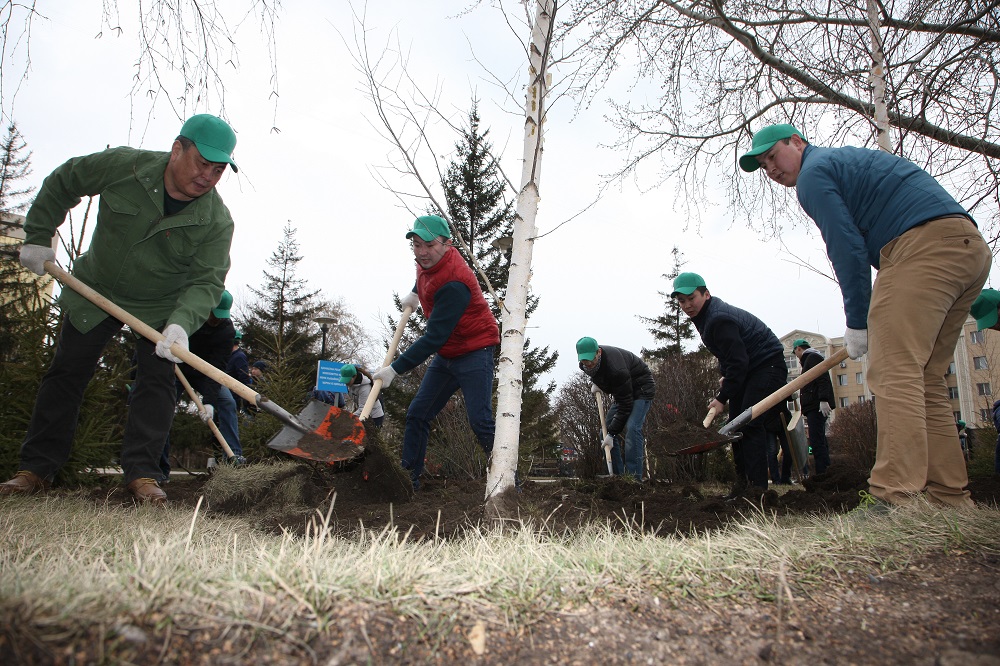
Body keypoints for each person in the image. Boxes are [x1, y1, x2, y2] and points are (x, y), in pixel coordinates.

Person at [740, 123, 990, 509]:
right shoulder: (842, 162)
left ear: (797, 142)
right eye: (762, 165)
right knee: (925, 378)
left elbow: (847, 246)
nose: (770, 169)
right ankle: (949, 497)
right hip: (967, 246)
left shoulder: (813, 174)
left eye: (772, 156)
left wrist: (857, 319)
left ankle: (894, 495)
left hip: (920, 247)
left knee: (893, 371)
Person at [0, 114, 237, 504]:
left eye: (218, 169)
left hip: (160, 307)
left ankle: (143, 476)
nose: (208, 176)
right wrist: (39, 235)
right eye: (202, 163)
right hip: (96, 290)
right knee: (66, 372)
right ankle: (36, 470)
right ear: (177, 149)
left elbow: (207, 281)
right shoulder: (125, 166)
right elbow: (65, 180)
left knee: (158, 382)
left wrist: (180, 324)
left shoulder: (215, 220)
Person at [371, 215, 500, 490]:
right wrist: (415, 293)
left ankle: (508, 483)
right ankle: (409, 481)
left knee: (480, 421)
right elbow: (424, 274)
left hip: (475, 349)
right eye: (416, 245)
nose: (421, 252)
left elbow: (433, 339)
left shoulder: (455, 284)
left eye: (428, 245)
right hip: (449, 351)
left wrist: (395, 369)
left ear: (447, 244)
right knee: (418, 413)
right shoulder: (426, 261)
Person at [672, 272, 788, 499]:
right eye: (681, 301)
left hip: (767, 366)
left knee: (748, 424)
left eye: (691, 298)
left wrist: (722, 397)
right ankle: (742, 489)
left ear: (706, 294)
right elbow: (730, 355)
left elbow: (738, 360)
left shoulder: (717, 318)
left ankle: (756, 492)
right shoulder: (706, 317)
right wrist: (727, 375)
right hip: (750, 370)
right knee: (735, 429)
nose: (687, 305)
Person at [167, 290, 244, 477]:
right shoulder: (191, 317)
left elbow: (218, 368)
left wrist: (209, 401)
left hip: (204, 373)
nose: (216, 320)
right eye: (214, 315)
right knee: (165, 407)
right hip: (177, 367)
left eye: (221, 317)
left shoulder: (226, 331)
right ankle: (159, 468)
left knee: (227, 402)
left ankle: (234, 456)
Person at [576, 337, 655, 480]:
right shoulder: (585, 365)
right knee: (603, 432)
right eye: (584, 361)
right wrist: (600, 383)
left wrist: (612, 434)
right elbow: (605, 378)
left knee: (632, 428)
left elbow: (625, 405)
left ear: (598, 352)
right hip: (624, 391)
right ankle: (618, 477)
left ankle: (634, 478)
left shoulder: (616, 369)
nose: (588, 364)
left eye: (590, 360)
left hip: (641, 389)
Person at [792, 339, 836, 475]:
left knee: (817, 441)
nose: (795, 355)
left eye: (795, 352)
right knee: (819, 439)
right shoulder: (810, 359)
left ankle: (822, 473)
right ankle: (826, 471)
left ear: (799, 348)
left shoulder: (812, 358)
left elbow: (822, 377)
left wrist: (823, 399)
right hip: (814, 406)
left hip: (816, 406)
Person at [340, 364, 385, 428]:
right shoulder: (351, 385)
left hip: (374, 416)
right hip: (363, 414)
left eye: (347, 380)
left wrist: (349, 418)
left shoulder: (365, 388)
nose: (346, 383)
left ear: (354, 376)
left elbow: (363, 409)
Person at [226, 330, 252, 412]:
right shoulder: (228, 356)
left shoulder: (239, 357)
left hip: (233, 397)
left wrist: (246, 397)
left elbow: (244, 377)